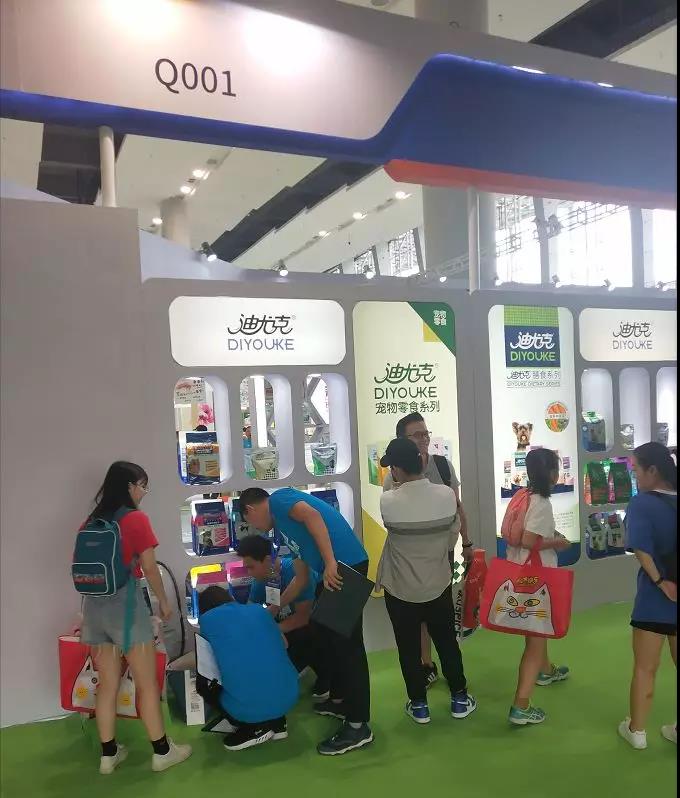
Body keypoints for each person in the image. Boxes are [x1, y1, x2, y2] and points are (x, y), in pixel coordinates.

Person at [239, 486, 372, 756]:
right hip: (331, 571)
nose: (254, 527)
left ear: (250, 510)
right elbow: (300, 579)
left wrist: (330, 562)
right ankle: (341, 700)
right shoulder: (283, 530)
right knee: (323, 634)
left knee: (348, 648)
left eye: (248, 521)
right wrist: (273, 610)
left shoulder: (278, 500)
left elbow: (312, 516)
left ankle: (358, 726)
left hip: (344, 566)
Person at [79, 461, 192, 775]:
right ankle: (162, 751)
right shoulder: (135, 519)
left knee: (107, 684)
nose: (144, 492)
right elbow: (150, 567)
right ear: (129, 487)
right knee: (146, 683)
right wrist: (165, 603)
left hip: (94, 610)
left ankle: (108, 755)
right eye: (143, 485)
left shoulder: (90, 521)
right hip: (126, 609)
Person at [378, 438, 477, 724]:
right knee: (447, 643)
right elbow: (451, 535)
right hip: (438, 583)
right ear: (421, 461)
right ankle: (459, 698)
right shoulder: (446, 496)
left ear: (396, 469)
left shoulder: (388, 501)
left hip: (400, 589)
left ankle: (419, 705)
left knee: (408, 648)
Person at [504, 448, 571, 726]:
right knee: (535, 639)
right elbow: (530, 540)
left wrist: (551, 534)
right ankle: (520, 705)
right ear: (552, 473)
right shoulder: (541, 503)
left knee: (536, 632)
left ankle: (546, 670)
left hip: (520, 573)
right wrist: (558, 542)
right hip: (537, 578)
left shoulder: (522, 495)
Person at [619, 442, 677, 750]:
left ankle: (637, 730)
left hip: (654, 600)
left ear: (652, 470)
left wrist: (660, 581)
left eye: (636, 470)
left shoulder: (642, 504)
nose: (635, 476)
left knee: (645, 668)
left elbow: (641, 549)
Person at [197, 585, 299, 751]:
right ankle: (278, 722)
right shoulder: (259, 610)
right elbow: (284, 644)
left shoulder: (207, 621)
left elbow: (208, 663)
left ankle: (254, 728)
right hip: (290, 696)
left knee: (203, 685)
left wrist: (172, 666)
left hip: (248, 706)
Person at [236, 534, 331, 699]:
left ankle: (325, 675)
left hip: (314, 623)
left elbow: (303, 618)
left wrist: (271, 630)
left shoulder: (295, 572)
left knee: (309, 633)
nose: (249, 573)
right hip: (287, 625)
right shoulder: (260, 581)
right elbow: (251, 614)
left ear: (267, 560)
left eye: (251, 567)